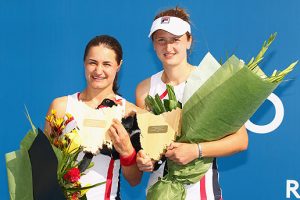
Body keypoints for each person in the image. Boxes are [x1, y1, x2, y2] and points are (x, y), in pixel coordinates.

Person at [135, 7, 248, 199]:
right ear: (153, 45)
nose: (168, 47)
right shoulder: (144, 89)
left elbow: (241, 140)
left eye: (175, 39)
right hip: (159, 191)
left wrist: (196, 150)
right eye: (161, 40)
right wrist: (145, 159)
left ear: (188, 41)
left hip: (203, 192)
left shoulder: (210, 81)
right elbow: (146, 145)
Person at [44, 35, 142, 199]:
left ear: (119, 66)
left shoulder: (130, 113)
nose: (98, 71)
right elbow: (43, 166)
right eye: (92, 62)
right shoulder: (60, 107)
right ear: (84, 63)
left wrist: (127, 151)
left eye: (107, 64)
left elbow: (134, 180)